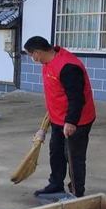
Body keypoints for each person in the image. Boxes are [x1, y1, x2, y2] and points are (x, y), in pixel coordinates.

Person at [23, 36, 95, 197]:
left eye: (29, 55)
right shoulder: (47, 61)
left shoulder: (68, 67)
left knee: (73, 157)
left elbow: (77, 98)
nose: (31, 58)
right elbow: (56, 91)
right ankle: (55, 184)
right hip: (57, 118)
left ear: (37, 53)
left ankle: (77, 192)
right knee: (56, 152)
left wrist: (71, 122)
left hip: (77, 120)